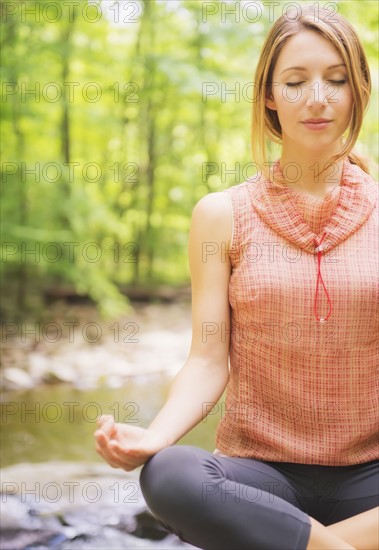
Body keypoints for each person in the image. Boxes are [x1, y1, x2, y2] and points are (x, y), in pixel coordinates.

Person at [94, 5, 378, 549]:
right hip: (260, 479)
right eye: (295, 82)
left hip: (370, 477)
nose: (317, 97)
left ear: (357, 90)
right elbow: (207, 357)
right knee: (170, 474)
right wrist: (155, 437)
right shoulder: (221, 215)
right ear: (269, 95)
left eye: (336, 80)